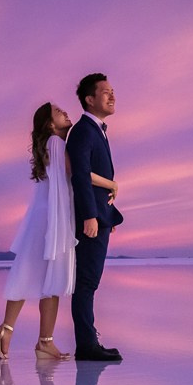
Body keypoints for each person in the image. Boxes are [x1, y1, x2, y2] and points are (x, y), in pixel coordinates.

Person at [0, 102, 117, 360]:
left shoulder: (51, 145)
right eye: (58, 112)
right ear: (50, 124)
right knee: (43, 275)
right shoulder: (56, 144)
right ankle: (15, 333)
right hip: (51, 219)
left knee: (43, 276)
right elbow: (77, 172)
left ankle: (37, 339)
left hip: (47, 216)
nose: (65, 113)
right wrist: (110, 182)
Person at [66, 73, 124, 361]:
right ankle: (86, 345)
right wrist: (90, 215)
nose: (112, 96)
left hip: (101, 216)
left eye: (112, 91)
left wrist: (107, 212)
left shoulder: (98, 130)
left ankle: (89, 341)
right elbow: (80, 174)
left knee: (90, 282)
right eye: (105, 92)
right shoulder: (84, 130)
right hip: (90, 219)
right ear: (90, 99)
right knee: (87, 282)